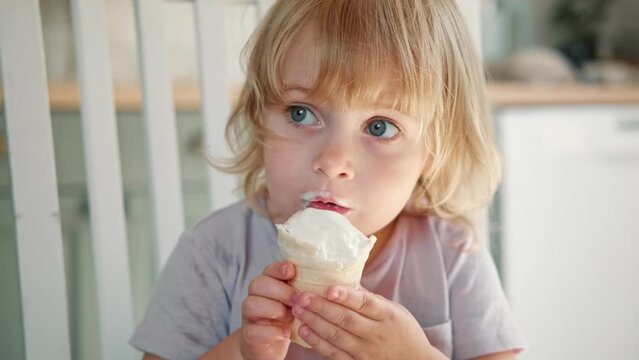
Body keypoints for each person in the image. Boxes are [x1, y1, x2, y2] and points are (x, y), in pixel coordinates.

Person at [130, 0, 526, 359]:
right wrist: (244, 351)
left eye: (380, 126)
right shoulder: (215, 252)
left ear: (435, 149)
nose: (333, 161)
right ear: (258, 117)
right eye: (301, 113)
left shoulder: (453, 255)